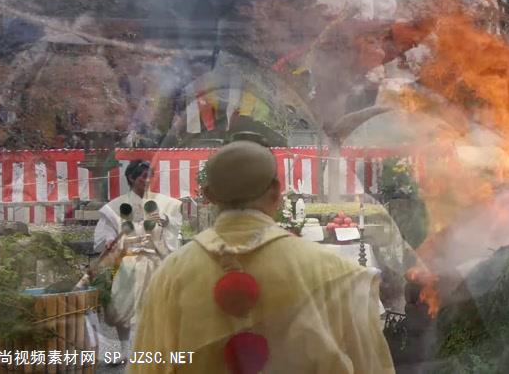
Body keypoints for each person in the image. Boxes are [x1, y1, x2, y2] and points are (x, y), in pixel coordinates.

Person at [131, 141, 394, 373]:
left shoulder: (170, 275)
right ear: (277, 191)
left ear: (209, 196)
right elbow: (370, 366)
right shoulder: (337, 271)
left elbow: (148, 364)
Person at [93, 159, 183, 362]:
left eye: (151, 175)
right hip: (129, 261)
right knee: (121, 308)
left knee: (157, 307)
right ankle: (125, 350)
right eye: (143, 176)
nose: (148, 180)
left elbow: (176, 228)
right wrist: (108, 240)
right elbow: (105, 230)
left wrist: (167, 221)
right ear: (131, 178)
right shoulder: (116, 205)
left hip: (155, 261)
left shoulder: (165, 203)